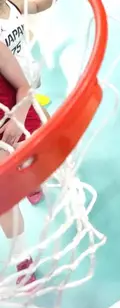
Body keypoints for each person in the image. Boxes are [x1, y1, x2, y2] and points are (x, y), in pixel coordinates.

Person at [0, 0, 55, 204]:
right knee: (18, 149)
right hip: (9, 91)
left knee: (46, 127)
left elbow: (39, 5)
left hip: (25, 75)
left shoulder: (13, 4)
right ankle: (31, 184)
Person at [0, 42, 42, 286]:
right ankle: (22, 258)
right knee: (3, 199)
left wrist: (18, 117)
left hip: (17, 118)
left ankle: (33, 183)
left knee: (34, 171)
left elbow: (25, 87)